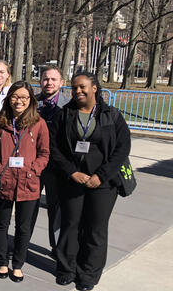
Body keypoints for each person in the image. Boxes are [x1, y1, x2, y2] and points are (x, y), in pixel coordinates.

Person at [51, 72, 130, 291]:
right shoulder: (65, 114)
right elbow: (54, 148)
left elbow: (122, 148)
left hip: (103, 184)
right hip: (73, 181)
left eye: (82, 87)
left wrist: (101, 176)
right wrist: (71, 172)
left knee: (96, 229)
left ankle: (89, 274)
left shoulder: (111, 115)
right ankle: (67, 269)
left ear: (94, 88)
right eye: (74, 88)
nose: (78, 91)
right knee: (70, 225)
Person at [0, 81, 50, 282]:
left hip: (28, 183)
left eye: (23, 97)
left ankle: (18, 264)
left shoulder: (39, 123)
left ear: (30, 100)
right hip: (4, 181)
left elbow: (45, 153)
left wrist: (34, 170)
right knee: (0, 224)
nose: (18, 101)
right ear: (8, 98)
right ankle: (2, 261)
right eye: (15, 96)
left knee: (23, 227)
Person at [33, 65, 69, 256]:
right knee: (29, 205)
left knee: (56, 208)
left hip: (57, 167)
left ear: (61, 83)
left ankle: (56, 247)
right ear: (40, 81)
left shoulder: (69, 106)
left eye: (54, 79)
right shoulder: (31, 103)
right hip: (34, 164)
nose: (49, 83)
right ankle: (22, 243)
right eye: (46, 79)